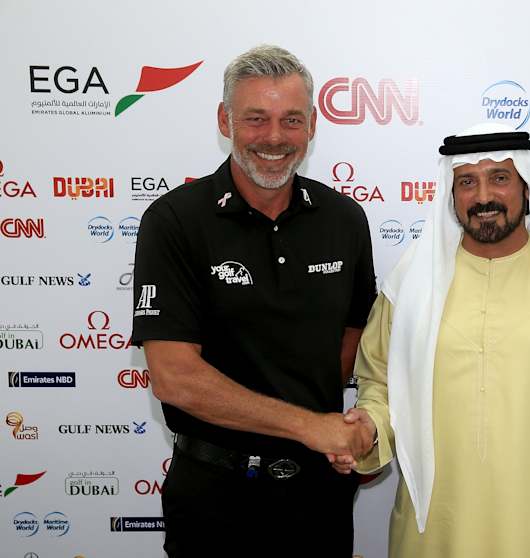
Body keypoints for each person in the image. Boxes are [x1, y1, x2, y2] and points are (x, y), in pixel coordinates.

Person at [330, 123, 530, 557]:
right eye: (467, 182)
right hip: (434, 535)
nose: (483, 196)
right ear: (451, 194)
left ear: (527, 187)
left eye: (500, 178)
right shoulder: (411, 285)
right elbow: (380, 386)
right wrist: (367, 429)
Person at [130, 45, 377, 557]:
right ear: (225, 121)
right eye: (256, 118)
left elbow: (354, 337)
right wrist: (308, 425)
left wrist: (340, 432)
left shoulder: (345, 219)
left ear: (312, 125)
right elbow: (174, 377)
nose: (274, 137)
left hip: (318, 497)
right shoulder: (174, 221)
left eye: (291, 120)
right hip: (215, 500)